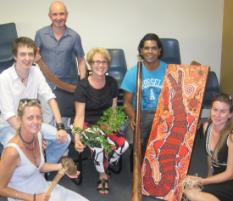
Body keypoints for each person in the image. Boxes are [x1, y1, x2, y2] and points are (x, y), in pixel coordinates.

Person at [0, 98, 89, 201]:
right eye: (30, 118)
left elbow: (40, 166)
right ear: (20, 120)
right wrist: (33, 198)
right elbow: (1, 189)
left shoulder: (37, 135)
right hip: (25, 197)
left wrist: (61, 167)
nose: (36, 122)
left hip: (44, 189)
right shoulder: (12, 152)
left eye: (38, 117)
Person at [0, 37, 70, 163]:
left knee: (65, 138)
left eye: (30, 54)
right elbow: (8, 115)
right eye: (22, 54)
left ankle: (43, 166)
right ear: (15, 56)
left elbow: (51, 98)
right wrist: (31, 138)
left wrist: (60, 127)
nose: (27, 58)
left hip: (33, 124)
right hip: (8, 127)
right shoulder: (4, 78)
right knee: (19, 151)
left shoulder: (36, 72)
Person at [73, 48, 129, 195]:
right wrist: (77, 137)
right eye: (97, 61)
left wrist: (112, 127)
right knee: (99, 146)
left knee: (124, 146)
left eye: (104, 62)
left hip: (105, 124)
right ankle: (102, 175)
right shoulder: (83, 86)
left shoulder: (112, 83)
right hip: (87, 125)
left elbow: (114, 109)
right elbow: (79, 116)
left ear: (108, 64)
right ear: (91, 64)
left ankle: (103, 162)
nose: (100, 65)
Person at [121, 33, 167, 149]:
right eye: (146, 48)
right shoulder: (132, 73)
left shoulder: (169, 70)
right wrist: (133, 117)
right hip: (141, 113)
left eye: (154, 48)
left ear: (159, 51)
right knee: (134, 139)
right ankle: (138, 165)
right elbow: (127, 103)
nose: (150, 51)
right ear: (141, 51)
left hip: (163, 114)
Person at [184, 93, 233, 201]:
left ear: (230, 115)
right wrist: (208, 179)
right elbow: (209, 158)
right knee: (187, 189)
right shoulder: (207, 127)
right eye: (215, 110)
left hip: (229, 182)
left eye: (223, 111)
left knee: (195, 192)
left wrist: (202, 181)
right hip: (218, 178)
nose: (217, 115)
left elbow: (230, 174)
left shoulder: (231, 137)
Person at [35, 0, 86, 86]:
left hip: (69, 85)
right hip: (46, 85)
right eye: (55, 14)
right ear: (49, 16)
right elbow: (35, 56)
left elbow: (81, 61)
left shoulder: (74, 36)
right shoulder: (40, 34)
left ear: (67, 15)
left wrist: (83, 84)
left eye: (62, 14)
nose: (58, 18)